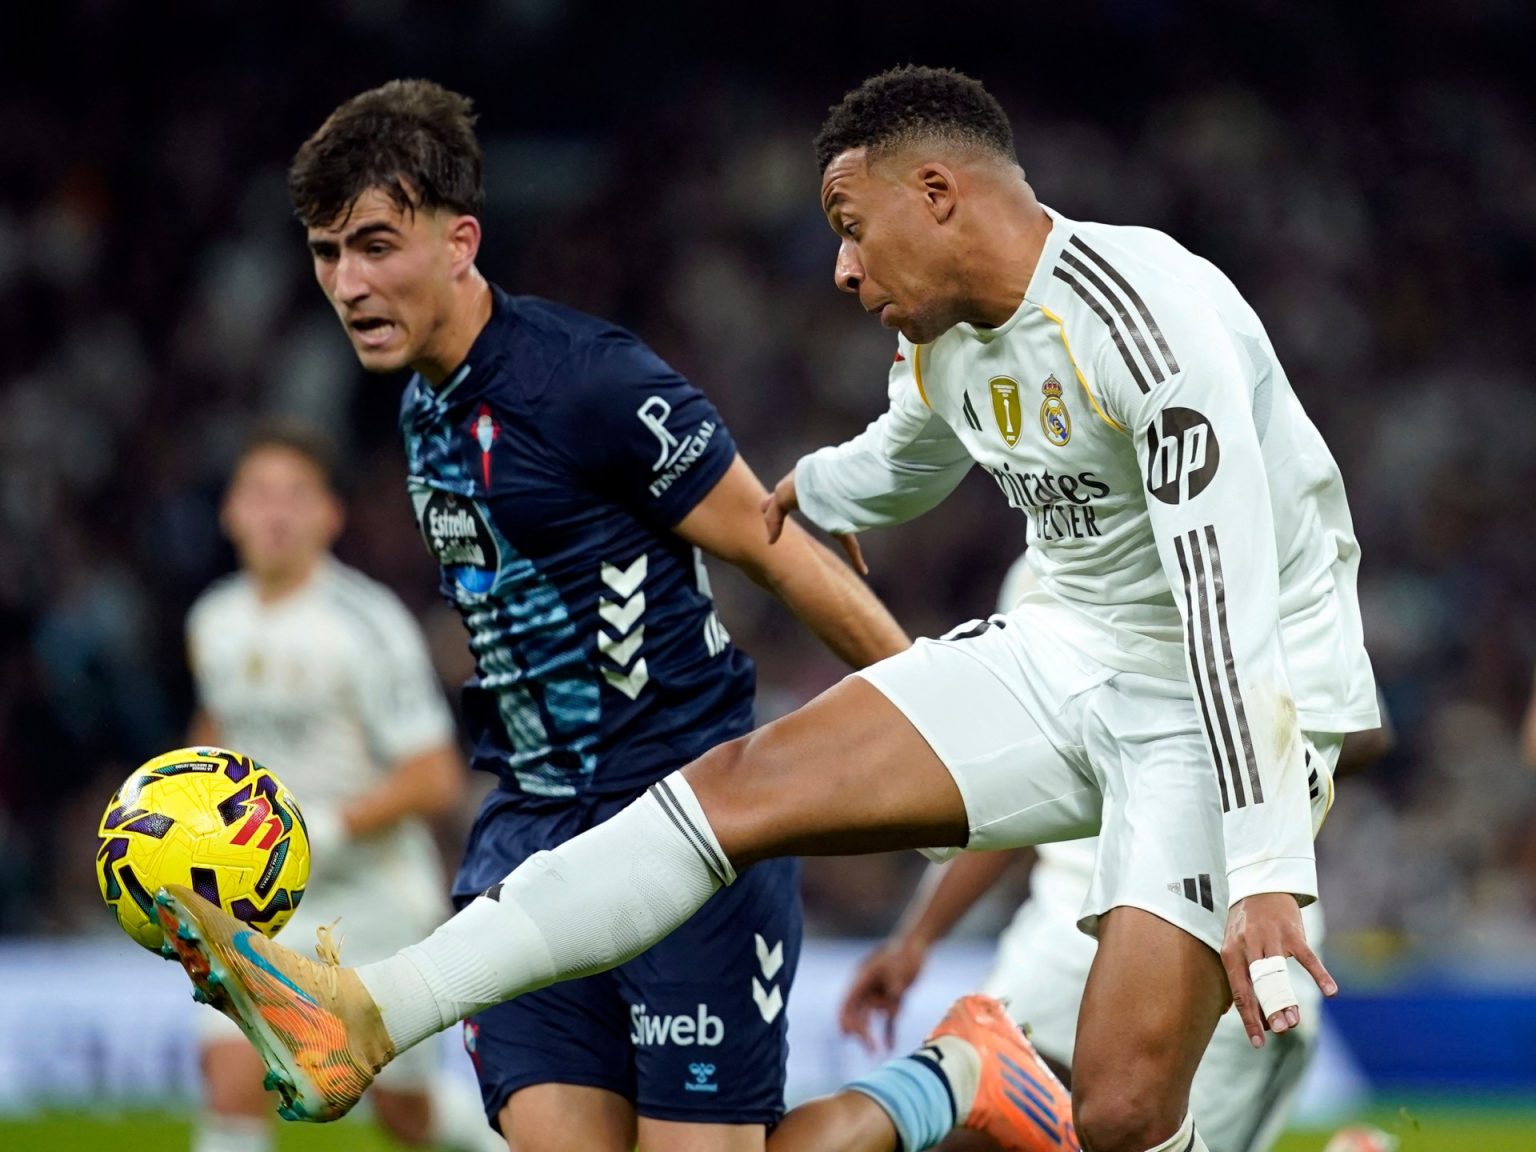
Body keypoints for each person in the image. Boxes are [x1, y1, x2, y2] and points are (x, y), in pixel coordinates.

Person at [154, 65, 1380, 1152]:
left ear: (937, 194)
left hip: (1226, 697)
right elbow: (908, 454)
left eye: (851, 227)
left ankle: (985, 1082)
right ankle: (370, 1010)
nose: (842, 266)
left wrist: (1267, 865)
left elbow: (1226, 603)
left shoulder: (1147, 318)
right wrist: (816, 486)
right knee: (739, 790)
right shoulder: (949, 338)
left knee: (1116, 1112)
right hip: (1068, 649)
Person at [174, 77, 925, 1152]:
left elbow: (778, 551)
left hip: (687, 821)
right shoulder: (422, 407)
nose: (348, 283)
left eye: (376, 245)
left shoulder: (586, 381)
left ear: (460, 241)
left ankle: (948, 1082)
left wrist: (942, 719)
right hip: (531, 838)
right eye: (327, 253)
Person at [835, 564, 1397, 1152]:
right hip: (1062, 938)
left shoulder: (1249, 549)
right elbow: (1005, 791)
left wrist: (1220, 757)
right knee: (973, 1135)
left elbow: (1364, 728)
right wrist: (917, 938)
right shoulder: (1044, 566)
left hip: (1211, 938)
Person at [183, 420, 501, 1152]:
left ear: (330, 515)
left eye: (296, 495)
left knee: (401, 1112)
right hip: (258, 897)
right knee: (231, 1079)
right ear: (231, 512)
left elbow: (434, 775)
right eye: (259, 494)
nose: (276, 513)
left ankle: (499, 1141)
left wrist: (320, 827)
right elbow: (216, 732)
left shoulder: (367, 623)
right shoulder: (214, 620)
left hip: (369, 896)